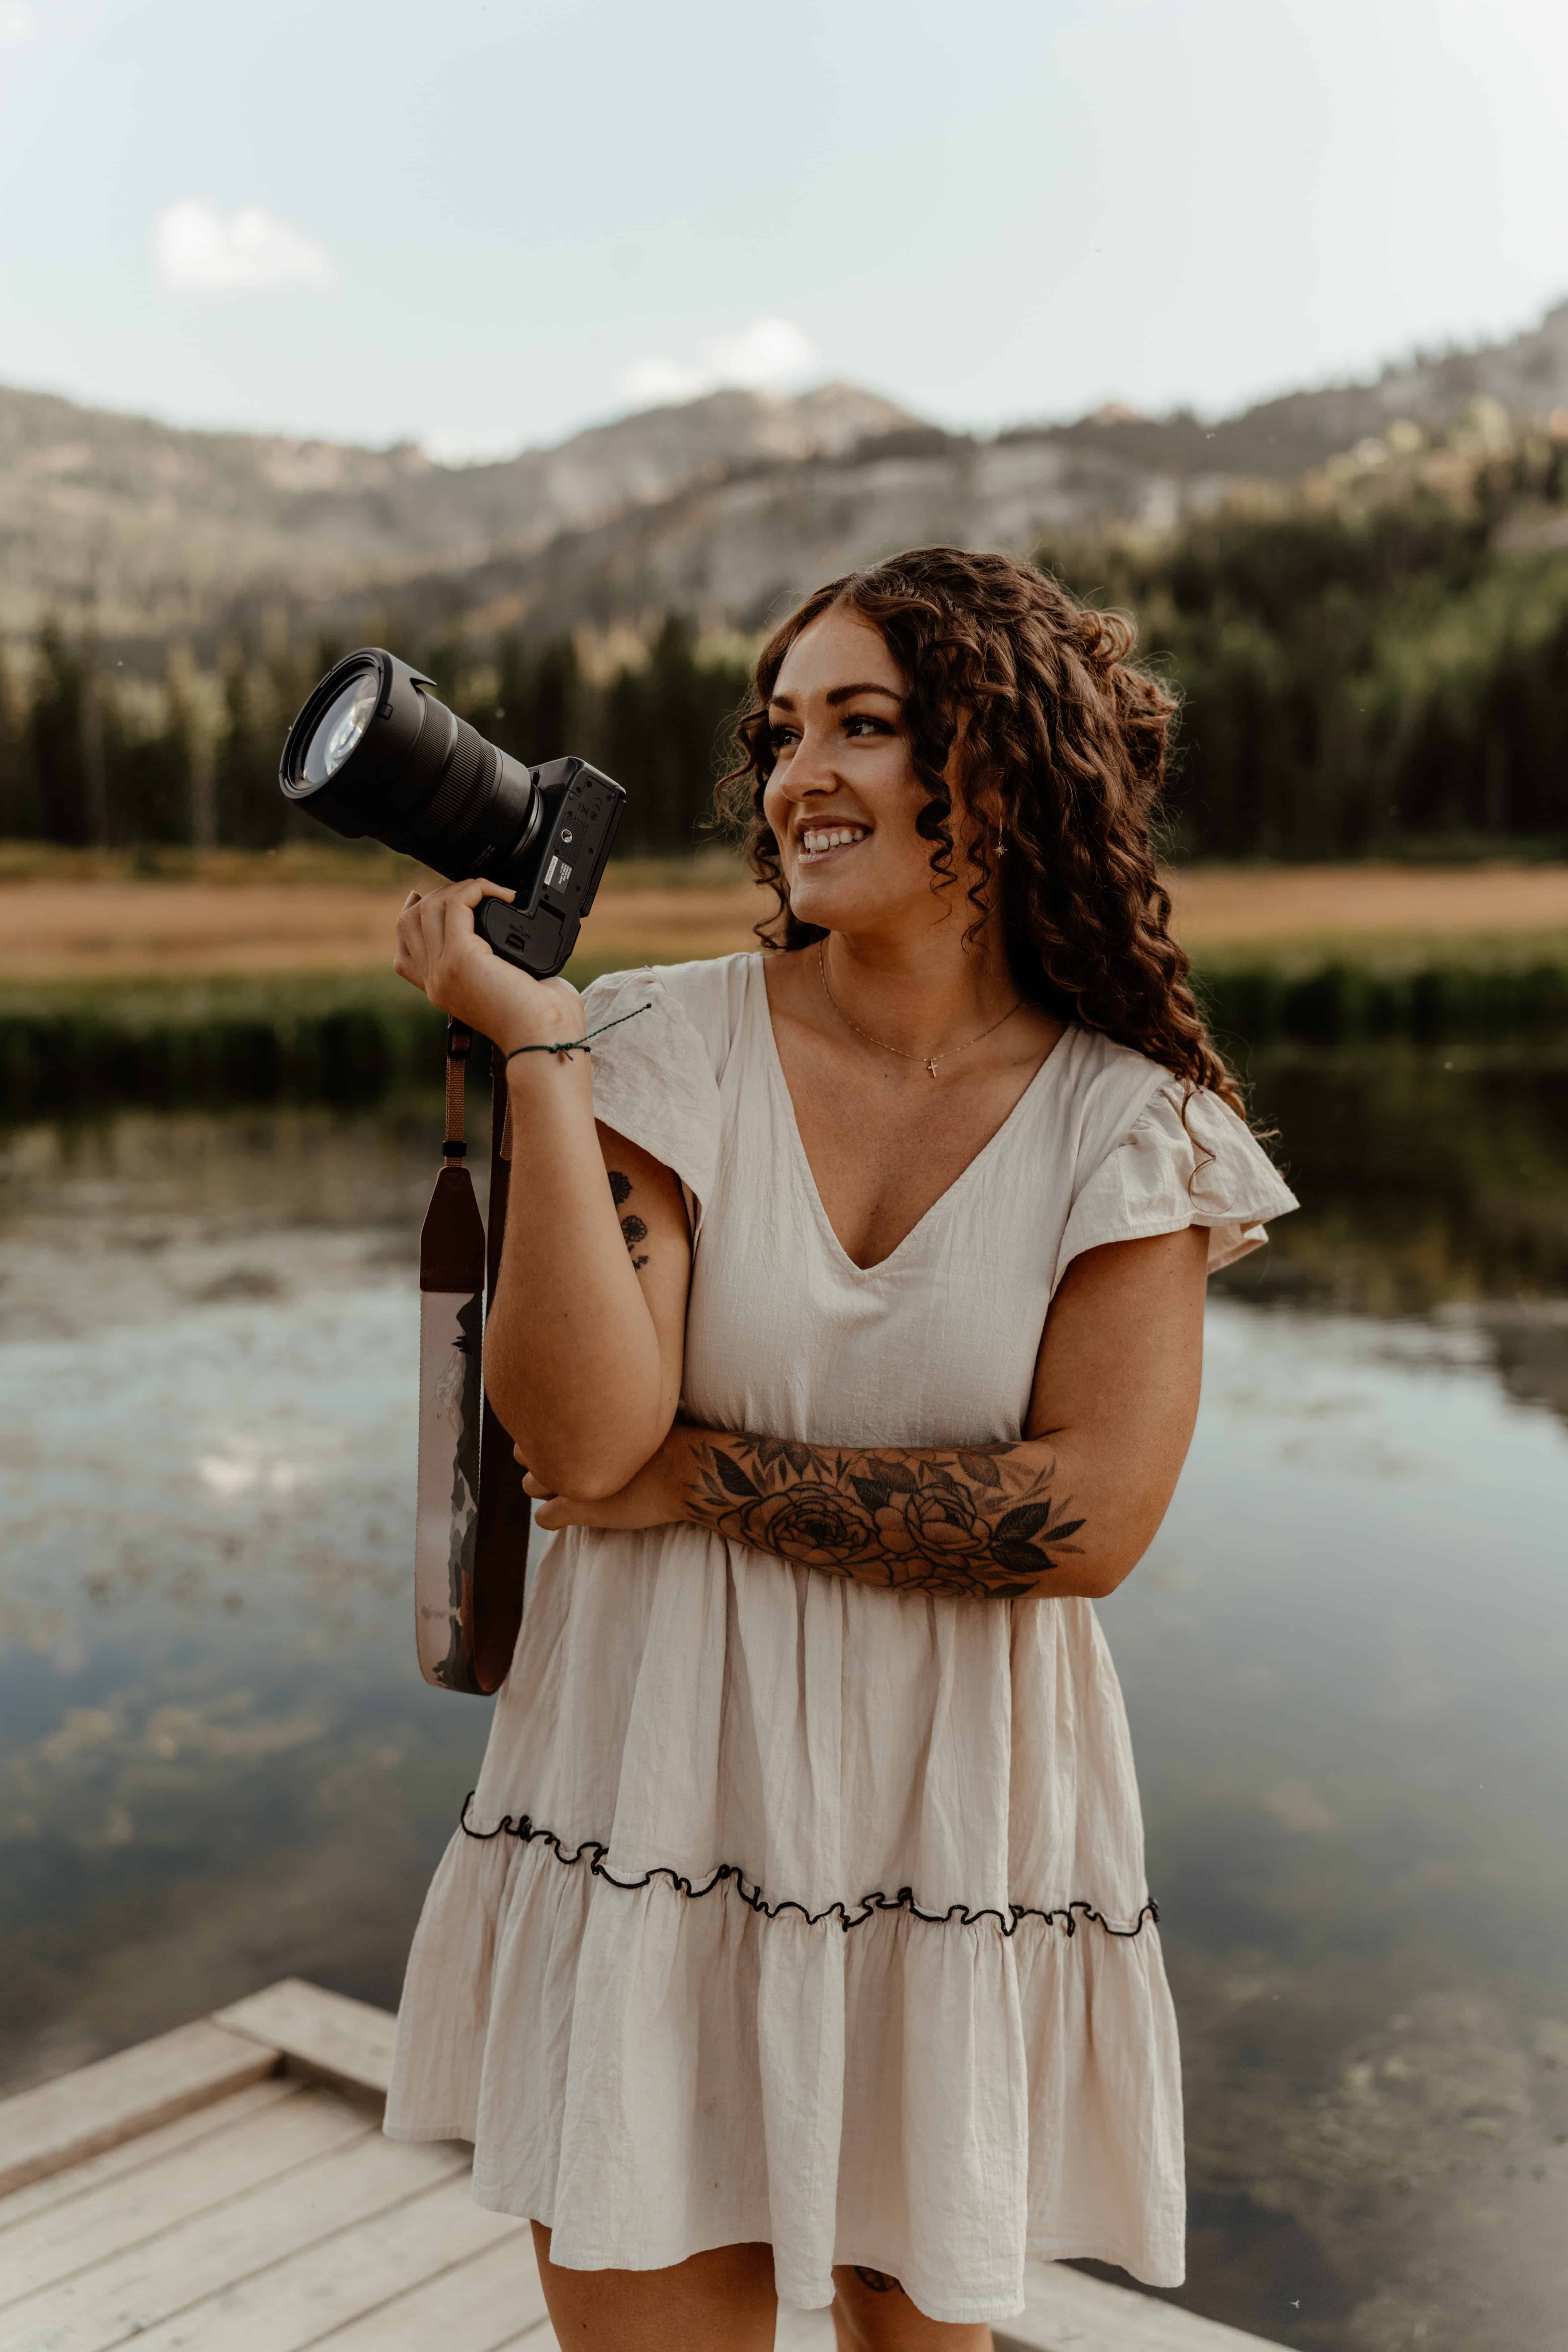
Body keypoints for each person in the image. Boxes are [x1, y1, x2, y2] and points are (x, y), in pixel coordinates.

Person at [383, 546, 1297, 2351]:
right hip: (652, 1779)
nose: (800, 775)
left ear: (1007, 765)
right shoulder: (644, 1041)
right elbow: (583, 1435)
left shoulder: (1136, 1133)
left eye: (864, 726)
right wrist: (537, 1058)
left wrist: (704, 1482)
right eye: (783, 728)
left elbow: (1088, 1521)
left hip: (950, 1817)